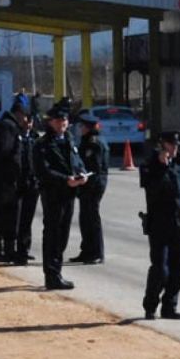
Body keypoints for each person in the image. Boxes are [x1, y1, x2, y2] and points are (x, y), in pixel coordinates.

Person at [139, 131, 180, 320]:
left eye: (176, 145)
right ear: (162, 145)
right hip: (159, 224)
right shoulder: (150, 165)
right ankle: (150, 306)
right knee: (160, 269)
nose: (175, 148)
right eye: (171, 144)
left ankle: (169, 307)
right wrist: (161, 166)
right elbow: (151, 188)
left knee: (177, 269)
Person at [33, 101, 87, 290]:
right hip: (53, 193)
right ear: (50, 122)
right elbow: (43, 171)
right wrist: (65, 179)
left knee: (63, 234)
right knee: (53, 233)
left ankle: (57, 271)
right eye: (58, 120)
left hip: (69, 192)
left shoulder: (69, 139)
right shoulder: (43, 144)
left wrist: (82, 174)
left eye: (64, 120)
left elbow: (77, 162)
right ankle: (51, 275)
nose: (62, 123)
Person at [0, 95, 30, 264]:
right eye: (24, 116)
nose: (25, 120)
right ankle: (4, 251)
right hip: (5, 178)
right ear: (19, 113)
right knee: (7, 214)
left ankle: (1, 250)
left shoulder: (1, 125)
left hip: (1, 177)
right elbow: (4, 149)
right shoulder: (9, 127)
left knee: (3, 213)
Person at [71, 113, 109, 264]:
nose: (80, 129)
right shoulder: (87, 140)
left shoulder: (94, 143)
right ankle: (86, 251)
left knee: (92, 218)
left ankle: (97, 252)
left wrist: (85, 181)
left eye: (82, 126)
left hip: (93, 184)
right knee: (84, 218)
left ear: (88, 127)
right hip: (87, 184)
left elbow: (94, 167)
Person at [15, 103, 40, 265]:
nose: (28, 123)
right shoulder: (14, 136)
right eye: (26, 120)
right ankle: (14, 250)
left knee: (27, 218)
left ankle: (24, 250)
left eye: (31, 121)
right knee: (16, 218)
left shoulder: (36, 138)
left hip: (32, 182)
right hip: (17, 182)